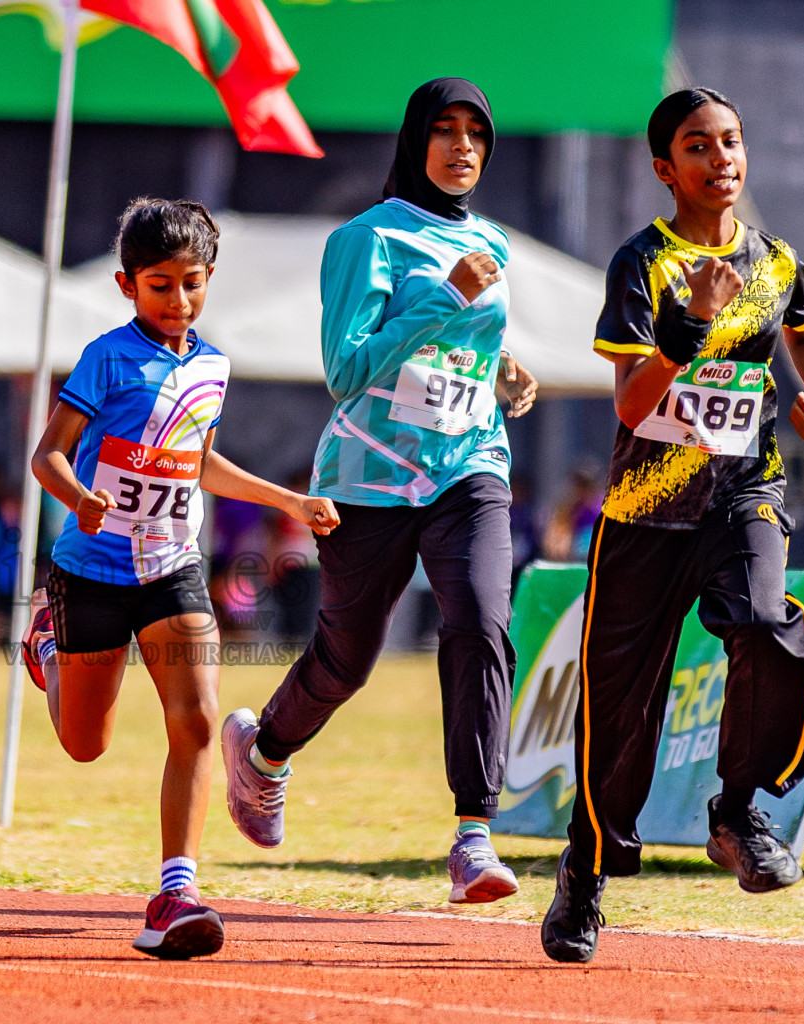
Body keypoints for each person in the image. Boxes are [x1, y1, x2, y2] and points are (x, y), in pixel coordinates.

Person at [540, 88, 804, 964]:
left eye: (732, 142)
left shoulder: (775, 262)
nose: (721, 159)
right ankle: (586, 874)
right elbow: (632, 404)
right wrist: (691, 325)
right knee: (620, 708)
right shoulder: (642, 263)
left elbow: (803, 330)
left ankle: (738, 812)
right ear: (664, 169)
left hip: (745, 492)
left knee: (767, 625)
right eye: (699, 146)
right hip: (647, 509)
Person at [217, 78, 538, 905]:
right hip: (371, 475)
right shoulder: (366, 238)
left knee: (481, 623)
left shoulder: (494, 241)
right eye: (445, 129)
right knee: (347, 658)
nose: (462, 146)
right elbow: (348, 368)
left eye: (476, 132)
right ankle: (263, 753)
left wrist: (500, 370)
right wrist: (445, 297)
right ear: (414, 139)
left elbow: (465, 343)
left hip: (470, 464)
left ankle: (474, 836)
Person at [20, 198, 339, 959]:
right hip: (92, 572)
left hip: (173, 568)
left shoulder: (212, 366)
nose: (178, 301)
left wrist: (288, 500)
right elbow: (48, 455)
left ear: (209, 280)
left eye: (192, 284)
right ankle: (47, 644)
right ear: (127, 285)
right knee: (84, 744)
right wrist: (79, 497)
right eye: (160, 285)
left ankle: (176, 891)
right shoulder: (106, 358)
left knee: (195, 717)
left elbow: (198, 463)